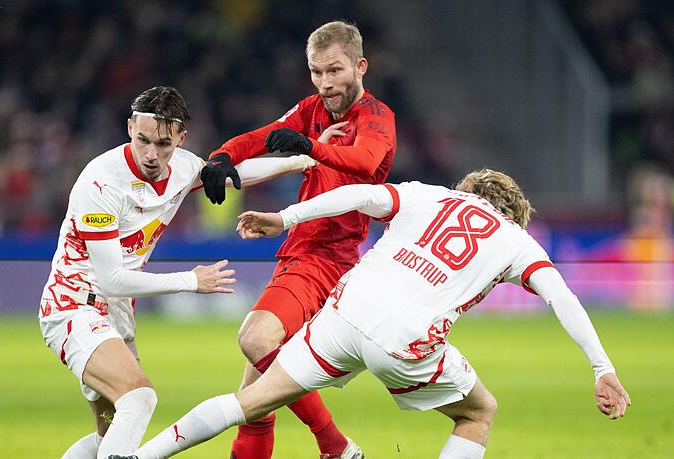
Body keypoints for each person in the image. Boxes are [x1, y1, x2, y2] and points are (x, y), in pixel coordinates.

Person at [130, 170, 631, 459]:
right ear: (514, 213)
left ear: (468, 189)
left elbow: (359, 196)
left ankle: (138, 456)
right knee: (478, 412)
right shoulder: (516, 240)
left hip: (345, 312)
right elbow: (561, 296)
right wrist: (602, 369)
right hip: (406, 339)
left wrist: (285, 217)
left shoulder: (428, 194)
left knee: (252, 399)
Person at [38, 86, 318, 459]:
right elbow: (111, 279)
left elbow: (235, 174)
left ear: (181, 139)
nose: (152, 154)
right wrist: (190, 281)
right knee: (139, 399)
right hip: (73, 306)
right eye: (143, 140)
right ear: (129, 128)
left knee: (109, 440)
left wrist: (302, 161)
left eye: (164, 144)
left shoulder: (184, 167)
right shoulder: (100, 182)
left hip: (116, 313)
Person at [199, 20, 396, 459]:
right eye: (316, 72)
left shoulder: (377, 118)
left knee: (255, 340)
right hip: (301, 252)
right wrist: (220, 158)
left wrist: (308, 147)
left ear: (360, 66)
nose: (325, 84)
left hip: (327, 257)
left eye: (335, 71)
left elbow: (364, 162)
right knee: (253, 400)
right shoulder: (312, 109)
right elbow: (260, 137)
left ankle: (336, 445)